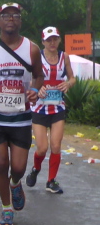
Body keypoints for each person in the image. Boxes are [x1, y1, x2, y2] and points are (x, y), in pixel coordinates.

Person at [0, 3, 43, 225]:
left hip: (21, 118)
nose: (10, 19)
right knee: (1, 162)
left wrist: (34, 89)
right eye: (5, 15)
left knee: (19, 167)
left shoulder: (32, 49)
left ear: (20, 21)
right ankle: (6, 208)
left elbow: (39, 76)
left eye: (15, 15)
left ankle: (15, 183)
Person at [25, 26, 75, 194]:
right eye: (49, 40)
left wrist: (68, 84)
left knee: (55, 146)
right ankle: (35, 169)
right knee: (42, 148)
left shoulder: (64, 57)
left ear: (59, 40)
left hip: (57, 108)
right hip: (39, 108)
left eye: (55, 39)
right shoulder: (36, 57)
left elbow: (72, 78)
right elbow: (28, 79)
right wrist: (36, 88)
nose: (52, 43)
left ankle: (51, 181)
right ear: (43, 42)